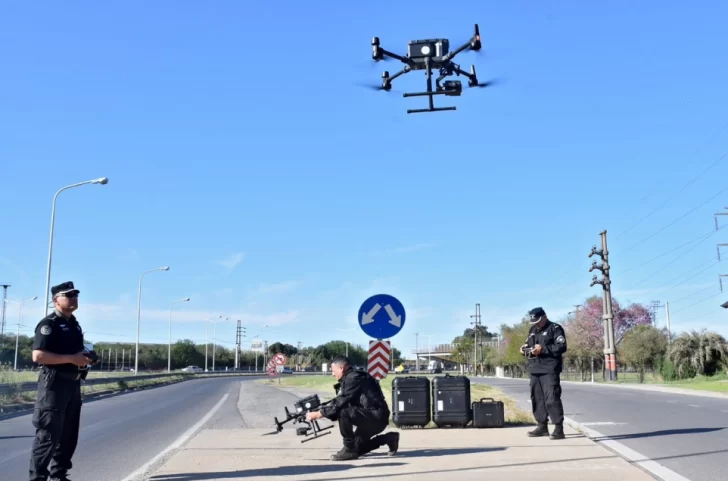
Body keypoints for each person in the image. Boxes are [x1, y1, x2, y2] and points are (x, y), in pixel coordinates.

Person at [29, 281, 98, 481]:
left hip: (73, 384)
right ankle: (38, 478)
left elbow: (74, 352)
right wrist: (71, 359)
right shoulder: (48, 325)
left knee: (68, 435)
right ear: (56, 300)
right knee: (48, 434)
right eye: (68, 295)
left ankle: (59, 476)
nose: (74, 298)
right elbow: (38, 356)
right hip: (54, 385)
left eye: (75, 294)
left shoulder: (73, 324)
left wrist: (87, 356)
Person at [305, 355, 400, 461]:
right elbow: (340, 400)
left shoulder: (353, 377)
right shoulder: (351, 377)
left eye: (333, 371)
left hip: (375, 417)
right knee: (358, 449)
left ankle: (348, 449)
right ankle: (389, 438)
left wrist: (319, 414)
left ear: (341, 368)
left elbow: (341, 402)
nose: (332, 374)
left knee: (343, 411)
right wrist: (322, 410)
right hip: (370, 417)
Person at [520, 306, 567, 440]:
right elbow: (529, 345)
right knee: (537, 398)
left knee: (551, 398)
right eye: (534, 321)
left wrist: (543, 349)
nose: (537, 323)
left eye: (539, 320)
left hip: (549, 369)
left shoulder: (555, 328)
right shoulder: (533, 330)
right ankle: (542, 426)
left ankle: (559, 428)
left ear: (545, 316)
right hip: (534, 369)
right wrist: (524, 349)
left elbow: (562, 347)